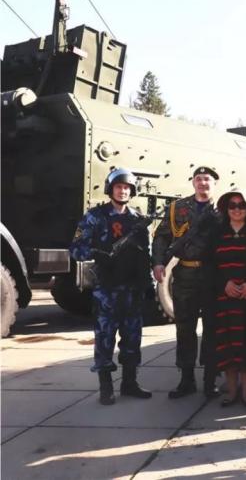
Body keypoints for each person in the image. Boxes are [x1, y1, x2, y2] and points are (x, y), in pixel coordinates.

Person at [70, 168, 152, 405]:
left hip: (131, 289)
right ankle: (106, 387)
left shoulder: (137, 219)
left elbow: (144, 253)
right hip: (106, 289)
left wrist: (146, 282)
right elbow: (75, 248)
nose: (123, 191)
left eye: (127, 187)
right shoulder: (95, 216)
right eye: (119, 187)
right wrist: (97, 252)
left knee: (132, 338)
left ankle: (130, 383)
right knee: (105, 337)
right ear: (110, 189)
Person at [152, 166, 221, 399]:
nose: (203, 183)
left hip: (213, 276)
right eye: (199, 179)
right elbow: (162, 236)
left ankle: (210, 379)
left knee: (213, 329)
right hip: (185, 276)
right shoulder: (177, 208)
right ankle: (186, 379)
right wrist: (158, 262)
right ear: (193, 183)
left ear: (215, 183)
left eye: (207, 179)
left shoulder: (224, 208)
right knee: (185, 328)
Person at [210, 191, 246, 407]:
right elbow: (210, 264)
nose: (237, 209)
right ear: (226, 209)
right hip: (225, 300)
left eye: (241, 205)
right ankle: (231, 391)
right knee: (227, 346)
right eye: (232, 205)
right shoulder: (217, 234)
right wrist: (224, 283)